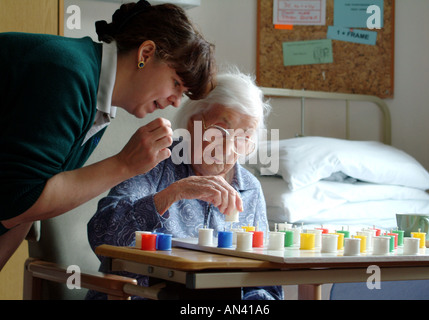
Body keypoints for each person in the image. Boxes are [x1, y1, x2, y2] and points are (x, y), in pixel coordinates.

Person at [0, 0, 216, 270]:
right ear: (146, 53)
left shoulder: (98, 104)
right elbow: (17, 200)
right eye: (176, 83)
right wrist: (124, 164)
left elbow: (26, 211)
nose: (175, 102)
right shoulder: (67, 74)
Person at [87, 69, 283, 300]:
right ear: (192, 122)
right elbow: (102, 235)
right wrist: (172, 194)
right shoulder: (153, 161)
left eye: (243, 138)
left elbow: (266, 280)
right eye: (219, 130)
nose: (228, 148)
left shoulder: (249, 188)